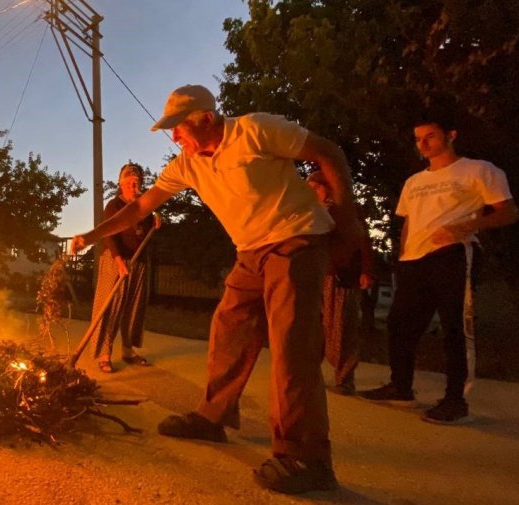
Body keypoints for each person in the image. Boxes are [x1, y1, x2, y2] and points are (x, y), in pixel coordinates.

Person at [69, 84, 360, 494]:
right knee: (228, 329)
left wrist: (349, 225)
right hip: (250, 251)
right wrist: (92, 234)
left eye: (179, 127)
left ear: (207, 119)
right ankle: (212, 418)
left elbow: (328, 152)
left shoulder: (255, 130)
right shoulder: (187, 164)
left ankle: (307, 458)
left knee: (291, 344)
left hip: (296, 238)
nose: (174, 136)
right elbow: (139, 208)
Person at [359, 112, 518, 424]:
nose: (423, 144)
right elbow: (408, 223)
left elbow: (508, 212)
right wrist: (402, 256)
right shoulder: (414, 182)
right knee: (399, 324)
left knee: (455, 327)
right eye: (418, 139)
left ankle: (456, 401)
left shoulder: (478, 170)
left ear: (450, 135)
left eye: (430, 136)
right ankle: (401, 387)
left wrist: (469, 226)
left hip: (453, 254)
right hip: (413, 260)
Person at [306, 170, 375, 396]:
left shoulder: (345, 210)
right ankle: (310, 374)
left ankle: (345, 379)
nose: (312, 191)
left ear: (329, 188)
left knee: (341, 327)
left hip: (340, 275)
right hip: (315, 273)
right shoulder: (309, 210)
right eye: (309, 187)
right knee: (313, 327)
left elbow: (362, 241)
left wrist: (366, 271)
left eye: (317, 187)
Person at [89, 162, 158, 373]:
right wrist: (119, 261)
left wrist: (155, 220)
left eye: (136, 182)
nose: (132, 186)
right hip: (115, 260)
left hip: (139, 261)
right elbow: (108, 235)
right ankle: (104, 354)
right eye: (128, 183)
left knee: (134, 307)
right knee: (110, 307)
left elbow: (145, 232)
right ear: (121, 184)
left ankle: (128, 352)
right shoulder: (114, 206)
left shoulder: (144, 207)